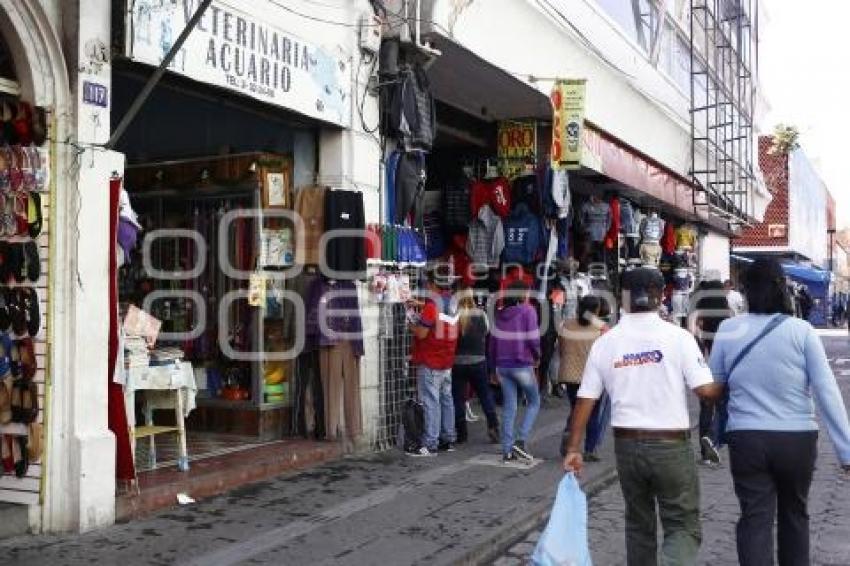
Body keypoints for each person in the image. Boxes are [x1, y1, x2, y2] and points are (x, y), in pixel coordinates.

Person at [564, 267, 721, 565]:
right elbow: (705, 391)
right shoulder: (679, 338)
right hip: (670, 447)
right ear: (660, 296)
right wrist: (727, 383)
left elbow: (585, 399)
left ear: (622, 298)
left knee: (638, 525)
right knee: (681, 525)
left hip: (626, 446)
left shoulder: (606, 342)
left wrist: (573, 449)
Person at [709, 258, 850, 566]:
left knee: (755, 518)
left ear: (745, 291)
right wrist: (846, 452)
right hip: (796, 440)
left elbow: (713, 385)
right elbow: (827, 392)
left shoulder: (728, 329)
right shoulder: (803, 331)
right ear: (782, 288)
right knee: (795, 515)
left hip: (746, 439)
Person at [408, 268, 459, 456]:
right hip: (447, 359)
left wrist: (410, 324)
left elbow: (422, 332)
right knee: (447, 399)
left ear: (432, 284)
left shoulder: (431, 307)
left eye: (428, 283)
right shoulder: (453, 303)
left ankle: (430, 443)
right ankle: (448, 439)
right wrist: (420, 304)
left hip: (430, 360)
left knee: (431, 401)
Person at [489, 280, 541, 463]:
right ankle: (521, 438)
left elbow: (492, 342)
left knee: (509, 407)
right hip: (522, 363)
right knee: (534, 401)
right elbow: (533, 338)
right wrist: (537, 355)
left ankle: (507, 450)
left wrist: (492, 367)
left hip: (502, 365)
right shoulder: (528, 311)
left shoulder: (500, 314)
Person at [558, 295, 609, 461]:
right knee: (592, 414)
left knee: (575, 410)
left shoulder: (566, 324)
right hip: (593, 377)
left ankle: (569, 434)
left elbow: (561, 349)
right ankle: (590, 449)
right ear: (596, 310)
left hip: (570, 374)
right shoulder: (601, 328)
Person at [691, 280, 733, 465]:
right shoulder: (727, 315)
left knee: (706, 409)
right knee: (724, 408)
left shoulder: (700, 313)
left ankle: (705, 451)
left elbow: (693, 338)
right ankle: (714, 440)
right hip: (725, 368)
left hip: (705, 368)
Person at [452, 287, 499, 444]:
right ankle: (493, 426)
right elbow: (486, 332)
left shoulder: (455, 315)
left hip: (457, 362)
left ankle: (461, 433)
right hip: (478, 360)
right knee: (485, 395)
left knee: (458, 397)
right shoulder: (481, 314)